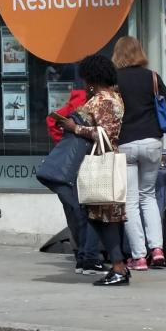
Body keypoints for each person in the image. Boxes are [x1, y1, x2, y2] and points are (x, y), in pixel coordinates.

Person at [56, 55, 129, 286]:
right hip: (103, 160)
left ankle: (118, 268)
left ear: (91, 76)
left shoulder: (104, 100)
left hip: (100, 162)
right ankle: (119, 266)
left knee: (104, 216)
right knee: (99, 216)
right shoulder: (109, 97)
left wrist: (74, 127)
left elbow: (104, 133)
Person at [112, 36, 166, 271]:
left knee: (130, 201)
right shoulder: (152, 77)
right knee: (148, 196)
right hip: (152, 141)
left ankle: (139, 256)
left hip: (126, 143)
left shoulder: (115, 81)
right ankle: (157, 249)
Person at [44, 87, 105, 275]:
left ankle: (81, 254)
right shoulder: (92, 102)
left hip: (69, 165)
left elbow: (52, 120)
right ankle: (89, 256)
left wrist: (62, 142)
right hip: (84, 161)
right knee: (89, 209)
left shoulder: (76, 100)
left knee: (73, 212)